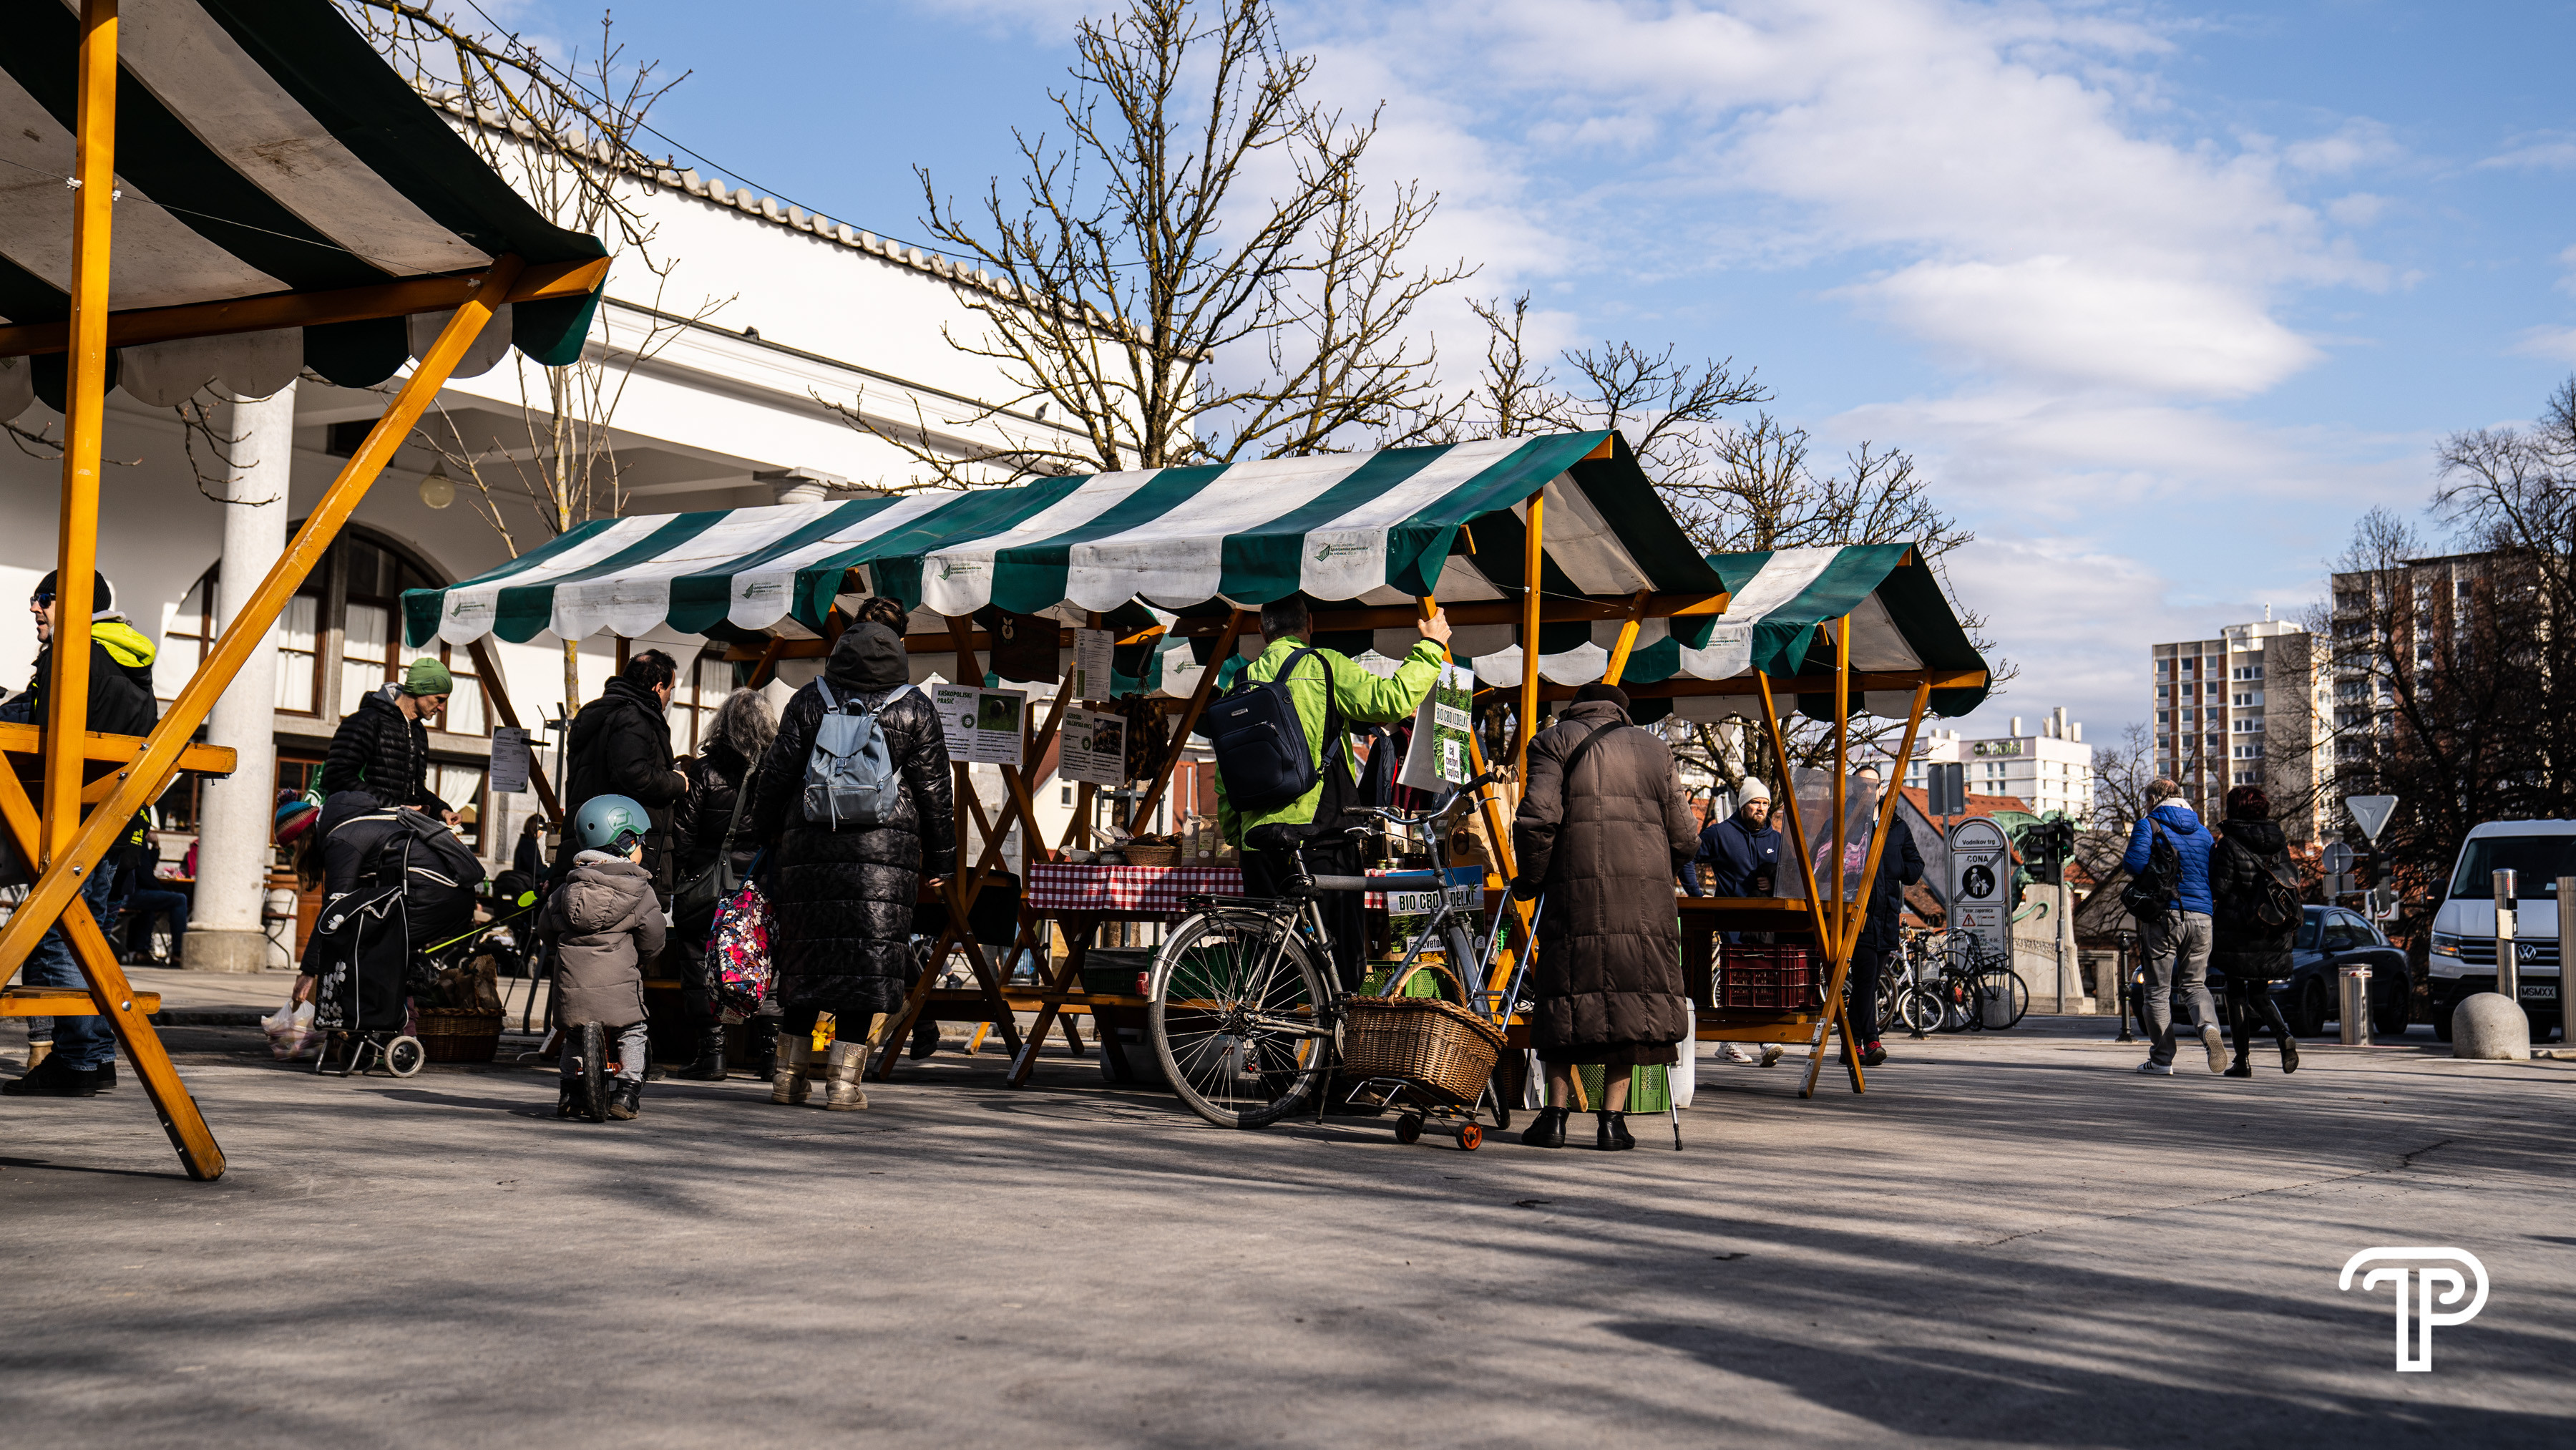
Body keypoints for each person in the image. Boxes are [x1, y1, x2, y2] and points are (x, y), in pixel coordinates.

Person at [747, 608, 953, 1110]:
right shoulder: (915, 709)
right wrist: (941, 864)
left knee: (805, 962)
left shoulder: (809, 701)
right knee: (867, 968)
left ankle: (788, 1079)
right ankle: (843, 1085)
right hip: (885, 858)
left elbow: (775, 774)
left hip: (809, 851)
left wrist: (763, 833)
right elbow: (934, 793)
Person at [1215, 596, 1452, 990]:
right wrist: (1430, 647)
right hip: (1322, 838)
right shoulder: (1323, 666)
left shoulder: (1238, 683)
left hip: (1259, 846)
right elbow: (1391, 700)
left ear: (1262, 631)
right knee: (1339, 969)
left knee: (1270, 971)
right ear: (1310, 623)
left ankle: (1274, 1048)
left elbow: (1227, 776)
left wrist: (1239, 835)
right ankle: (1339, 1049)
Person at [1509, 682, 1697, 1150]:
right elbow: (1686, 837)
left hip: (1575, 893)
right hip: (1643, 900)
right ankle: (1612, 1123)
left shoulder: (1553, 741)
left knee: (1567, 998)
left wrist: (1531, 880)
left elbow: (1537, 820)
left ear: (1576, 707)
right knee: (1631, 1005)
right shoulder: (1656, 751)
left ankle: (1554, 1118)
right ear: (1623, 712)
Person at [4, 570, 158, 1097]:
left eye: (43, 600)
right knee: (85, 936)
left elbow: (45, 731)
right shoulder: (127, 657)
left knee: (56, 937)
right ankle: (92, 1058)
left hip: (76, 818)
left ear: (72, 604)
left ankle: (79, 1061)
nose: (34, 610)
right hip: (114, 822)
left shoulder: (74, 653)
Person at [542, 794, 666, 1121]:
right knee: (633, 1031)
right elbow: (653, 936)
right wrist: (643, 959)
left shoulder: (564, 890)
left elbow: (545, 931)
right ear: (626, 842)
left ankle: (569, 1092)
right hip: (618, 985)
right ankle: (627, 1092)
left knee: (573, 1035)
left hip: (572, 986)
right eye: (641, 841)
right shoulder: (639, 891)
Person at [672, 687, 775, 1081]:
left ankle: (712, 1054)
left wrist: (677, 875)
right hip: (759, 884)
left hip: (707, 886)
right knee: (762, 961)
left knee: (698, 960)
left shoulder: (704, 770)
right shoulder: (777, 770)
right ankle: (770, 1056)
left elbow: (684, 834)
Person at [560, 650, 690, 892]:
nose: (670, 697)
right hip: (622, 850)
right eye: (670, 689)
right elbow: (634, 774)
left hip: (590, 844)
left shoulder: (598, 714)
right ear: (658, 687)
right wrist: (676, 782)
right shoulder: (633, 717)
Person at [2123, 777, 2225, 1076]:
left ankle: (2162, 1059)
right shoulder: (2204, 832)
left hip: (2164, 915)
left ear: (2153, 799)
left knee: (2157, 990)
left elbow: (2133, 864)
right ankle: (2208, 1026)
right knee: (2195, 984)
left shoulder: (2149, 825)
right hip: (2203, 918)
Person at [2208, 784, 2302, 1078]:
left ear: (2234, 809)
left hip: (2239, 929)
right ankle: (2283, 1034)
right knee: (2260, 991)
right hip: (2273, 927)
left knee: (2235, 992)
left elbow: (2219, 887)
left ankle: (2242, 1061)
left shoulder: (2229, 843)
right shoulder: (2279, 842)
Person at [1694, 777, 1787, 1066]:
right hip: (1732, 920)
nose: (1760, 808)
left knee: (1763, 977)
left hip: (1765, 922)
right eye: (1755, 803)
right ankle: (1732, 1040)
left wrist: (1772, 880)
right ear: (1744, 805)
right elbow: (1686, 855)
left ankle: (1760, 1038)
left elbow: (1790, 877)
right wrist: (1697, 895)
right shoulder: (1721, 834)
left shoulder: (1776, 839)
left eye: (1765, 804)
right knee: (1737, 978)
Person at [1843, 764, 1923, 1069]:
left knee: (1870, 981)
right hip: (1856, 917)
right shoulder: (1843, 822)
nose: (1867, 790)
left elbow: (1916, 867)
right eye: (1860, 785)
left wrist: (1890, 870)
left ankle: (1851, 1046)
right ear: (1854, 789)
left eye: (1872, 785)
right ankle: (1871, 1040)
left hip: (1886, 916)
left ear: (1879, 791)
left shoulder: (1896, 826)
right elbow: (1822, 857)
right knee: (1865, 980)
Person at [319, 657, 454, 819]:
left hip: (399, 826)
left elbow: (415, 789)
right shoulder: (366, 720)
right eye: (439, 699)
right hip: (362, 824)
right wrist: (393, 807)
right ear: (420, 690)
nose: (442, 708)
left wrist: (442, 810)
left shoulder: (419, 731)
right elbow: (337, 776)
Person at [120, 829, 191, 965]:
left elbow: (148, 865)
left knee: (150, 908)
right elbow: (145, 874)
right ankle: (178, 953)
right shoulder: (136, 838)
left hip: (132, 893)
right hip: (131, 894)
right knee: (179, 899)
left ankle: (141, 952)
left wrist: (156, 846)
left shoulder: (139, 840)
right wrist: (163, 892)